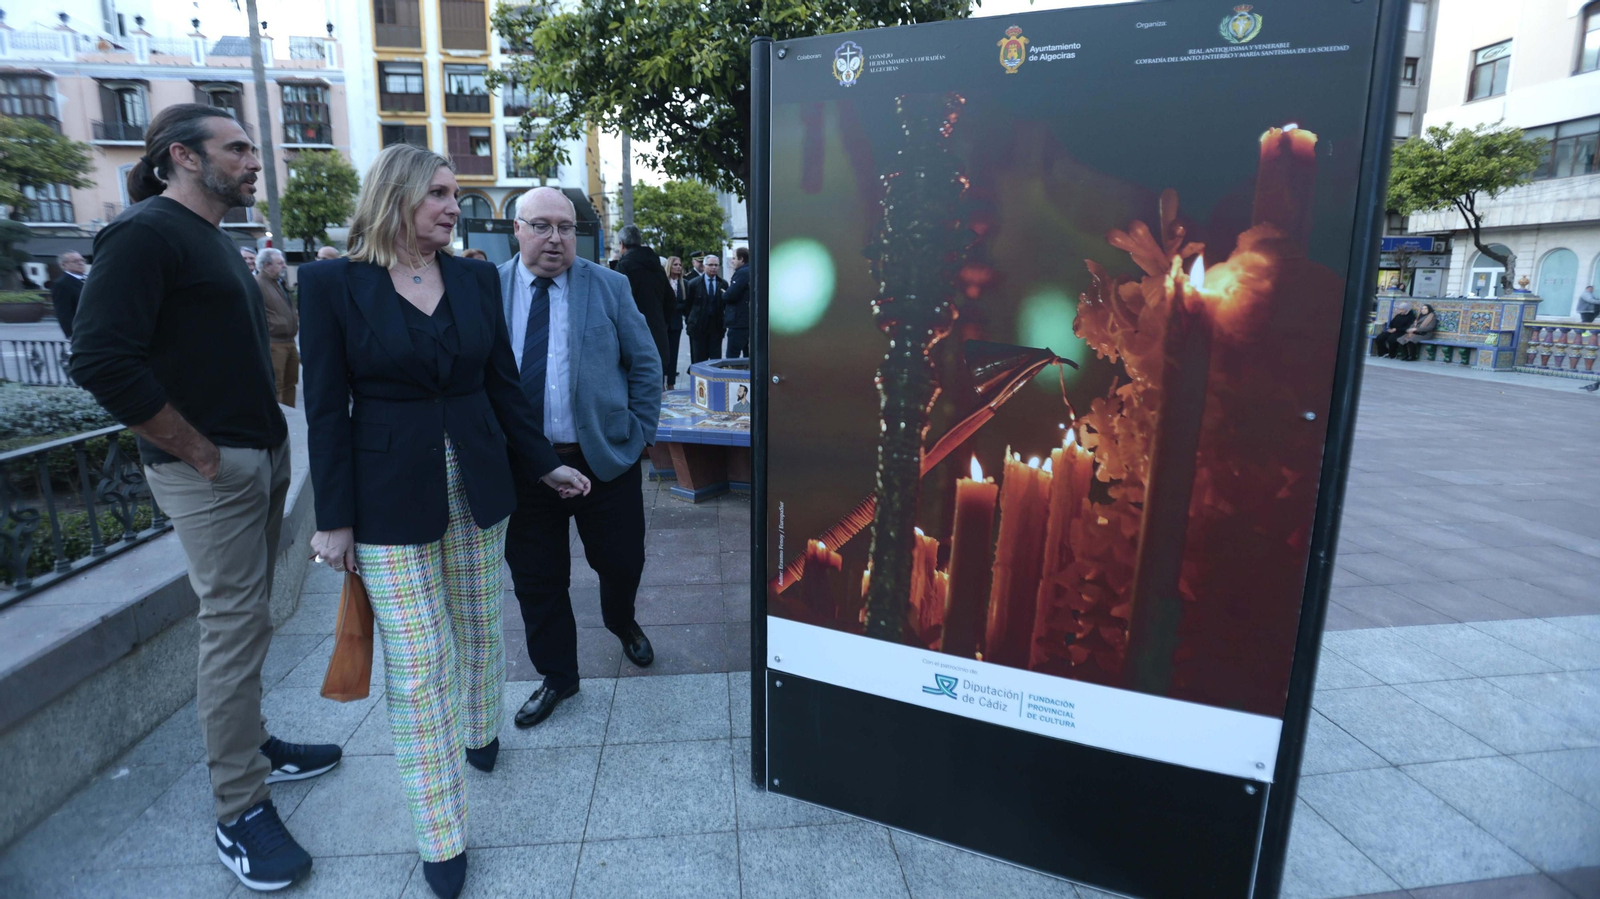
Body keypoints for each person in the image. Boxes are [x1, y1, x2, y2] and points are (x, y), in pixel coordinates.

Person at [299, 146, 591, 899]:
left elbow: (501, 384)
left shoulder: (471, 277)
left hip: (479, 479)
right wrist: (334, 519)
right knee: (421, 661)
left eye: (455, 194)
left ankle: (480, 727)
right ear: (395, 195)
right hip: (385, 495)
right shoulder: (331, 283)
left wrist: (542, 463)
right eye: (438, 193)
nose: (454, 206)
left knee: (477, 624)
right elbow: (327, 408)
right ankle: (441, 833)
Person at [68, 103, 341, 893]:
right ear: (182, 157)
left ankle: (253, 744)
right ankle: (240, 809)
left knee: (248, 619)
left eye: (253, 148)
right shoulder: (145, 233)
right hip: (211, 472)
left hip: (254, 456)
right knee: (229, 626)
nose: (255, 160)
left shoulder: (210, 238)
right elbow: (99, 359)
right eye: (238, 148)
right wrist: (198, 452)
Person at [498, 187, 663, 729]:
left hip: (602, 460)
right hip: (526, 469)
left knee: (622, 561)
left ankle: (622, 621)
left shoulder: (609, 285)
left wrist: (640, 436)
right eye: (541, 226)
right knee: (537, 578)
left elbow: (644, 364)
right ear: (516, 229)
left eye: (566, 227)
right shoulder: (489, 290)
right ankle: (558, 678)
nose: (556, 238)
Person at [613, 225, 673, 386]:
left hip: (633, 339)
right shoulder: (657, 267)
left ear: (622, 244)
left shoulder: (624, 266)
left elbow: (618, 304)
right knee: (655, 389)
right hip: (657, 335)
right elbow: (670, 301)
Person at [254, 248, 300, 407]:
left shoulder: (280, 283)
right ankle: (277, 421)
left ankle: (289, 416)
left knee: (290, 383)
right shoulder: (258, 283)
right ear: (267, 265)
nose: (284, 266)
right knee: (276, 385)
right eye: (280, 263)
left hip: (289, 341)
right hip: (274, 343)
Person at [686, 254, 726, 363]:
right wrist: (690, 322)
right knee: (699, 360)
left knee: (715, 361)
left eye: (716, 265)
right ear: (704, 267)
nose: (713, 267)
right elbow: (688, 305)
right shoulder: (694, 284)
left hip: (716, 328)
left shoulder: (723, 283)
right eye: (710, 265)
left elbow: (725, 305)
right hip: (698, 328)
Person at [663, 256, 687, 389]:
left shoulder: (684, 284)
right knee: (662, 354)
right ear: (669, 266)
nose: (678, 267)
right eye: (675, 265)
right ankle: (661, 382)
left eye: (680, 265)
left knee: (674, 354)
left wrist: (674, 306)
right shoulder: (663, 282)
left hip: (676, 324)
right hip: (663, 324)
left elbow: (685, 304)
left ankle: (671, 382)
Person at [50, 251, 87, 338]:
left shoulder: (90, 279)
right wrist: (71, 334)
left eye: (82, 260)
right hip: (83, 331)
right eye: (75, 261)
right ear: (64, 265)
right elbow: (64, 312)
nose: (81, 263)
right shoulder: (61, 284)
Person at [722, 246, 751, 358]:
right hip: (747, 321)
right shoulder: (751, 270)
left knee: (732, 356)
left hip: (738, 323)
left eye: (734, 258)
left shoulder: (742, 273)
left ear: (742, 259)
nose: (732, 261)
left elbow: (730, 295)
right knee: (748, 356)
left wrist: (724, 293)